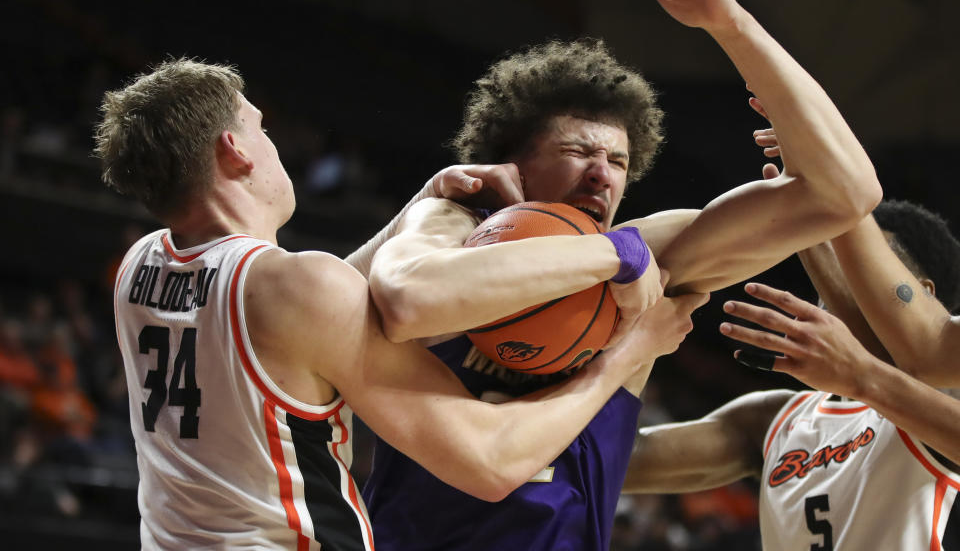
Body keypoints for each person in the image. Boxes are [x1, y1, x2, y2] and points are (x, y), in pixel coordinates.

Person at [361, 0, 881, 550]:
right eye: (578, 152)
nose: (603, 175)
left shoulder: (651, 251)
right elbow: (395, 297)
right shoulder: (446, 228)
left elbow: (845, 194)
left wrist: (731, 23)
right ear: (510, 164)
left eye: (618, 161)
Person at [94, 58, 708, 549]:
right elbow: (492, 462)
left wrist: (416, 209)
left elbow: (313, 306)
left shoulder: (143, 264)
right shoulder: (295, 289)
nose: (276, 145)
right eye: (264, 127)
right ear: (237, 150)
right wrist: (628, 348)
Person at [622, 198, 960, 548]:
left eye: (860, 267)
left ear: (922, 296)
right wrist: (640, 341)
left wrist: (863, 376)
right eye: (838, 258)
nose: (834, 278)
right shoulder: (772, 420)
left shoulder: (942, 394)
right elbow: (614, 464)